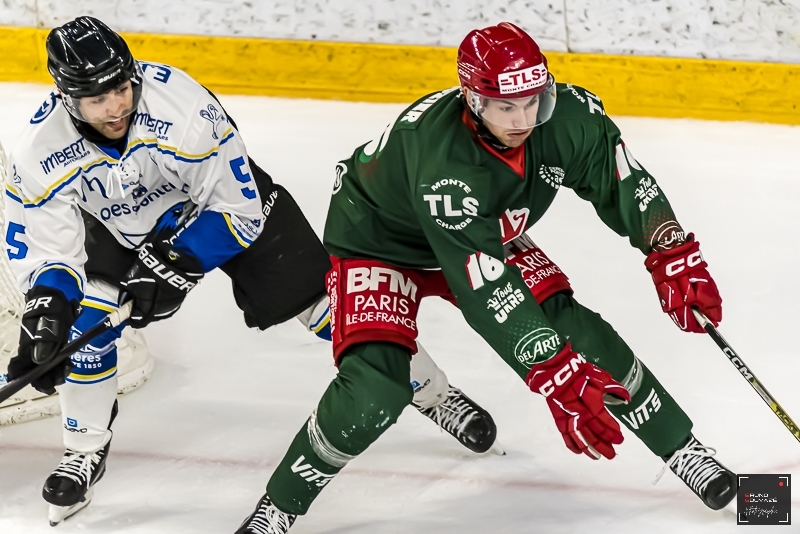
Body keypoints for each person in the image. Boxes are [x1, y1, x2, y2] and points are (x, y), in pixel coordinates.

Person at [235, 21, 736, 533]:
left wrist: (670, 249)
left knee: (579, 334)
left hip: (483, 229)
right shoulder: (445, 166)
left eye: (533, 101)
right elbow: (486, 288)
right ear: (473, 101)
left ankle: (683, 450)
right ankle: (279, 507)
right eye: (505, 107)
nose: (524, 120)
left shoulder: (567, 118)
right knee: (373, 391)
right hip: (379, 243)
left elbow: (622, 180)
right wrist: (554, 370)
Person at [2, 17, 497, 527]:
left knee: (338, 310)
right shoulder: (38, 150)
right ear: (66, 98)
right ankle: (84, 450)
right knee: (79, 327)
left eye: (122, 89)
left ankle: (434, 393)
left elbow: (239, 211)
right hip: (117, 227)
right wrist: (48, 306)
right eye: (97, 99)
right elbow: (47, 249)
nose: (116, 107)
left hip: (217, 210)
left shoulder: (182, 107)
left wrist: (175, 264)